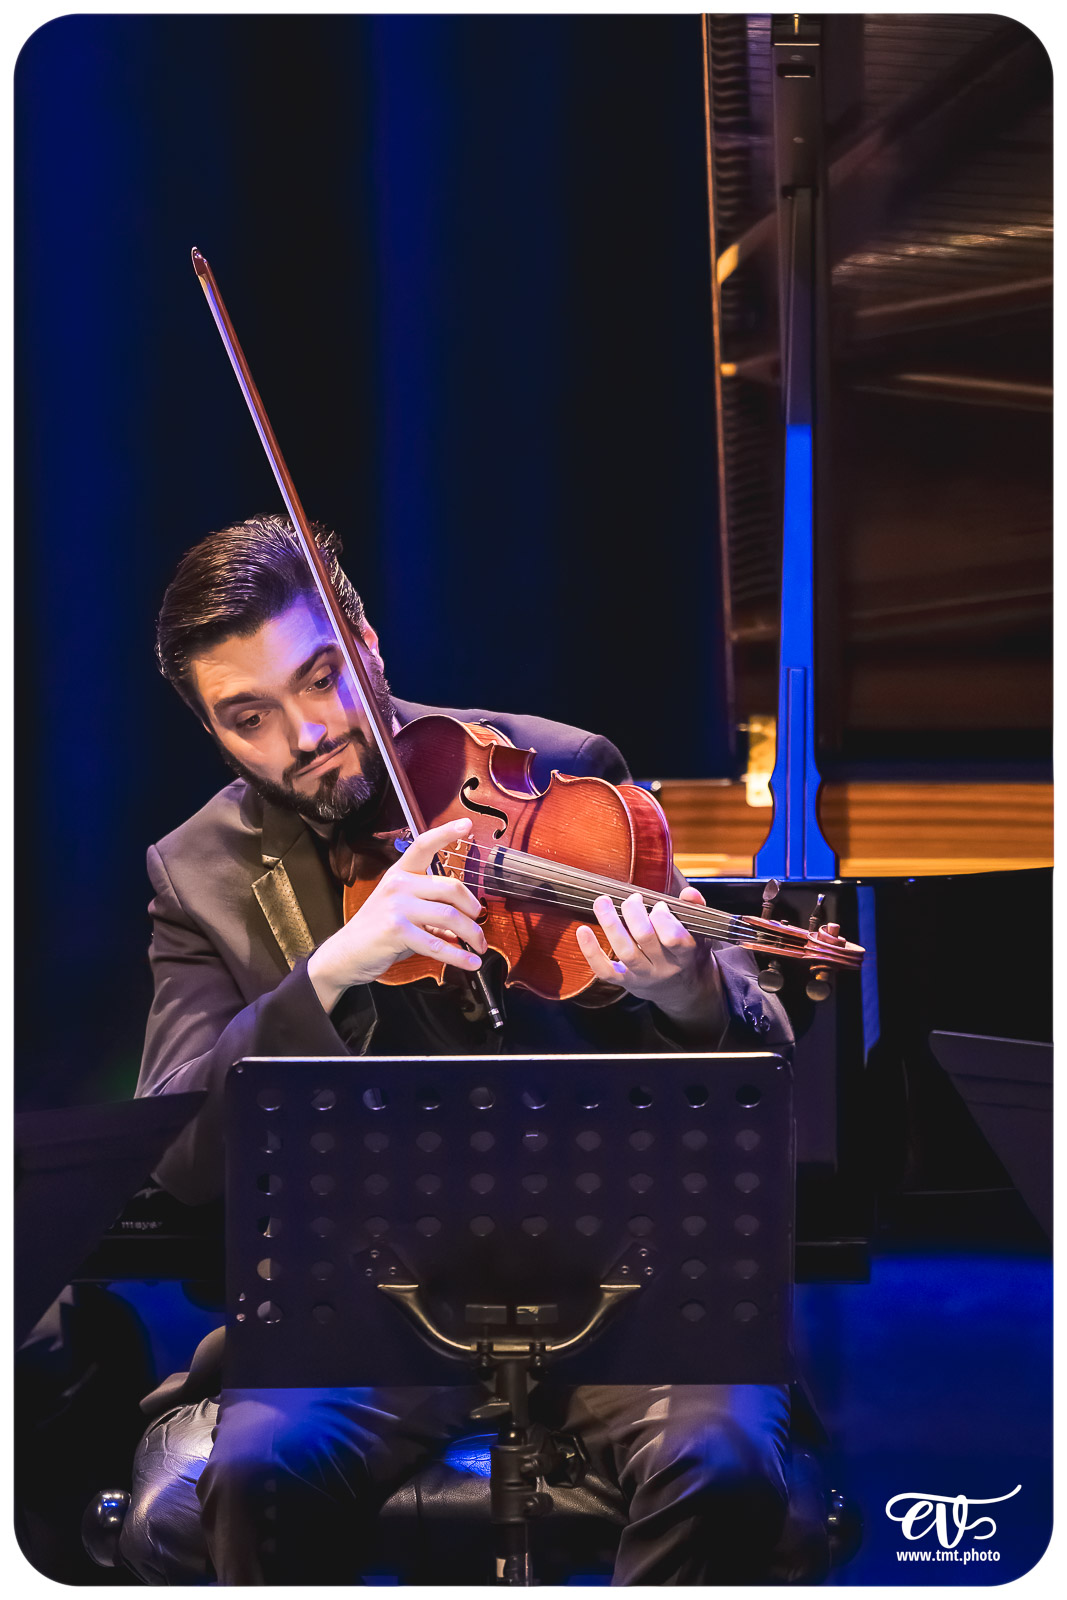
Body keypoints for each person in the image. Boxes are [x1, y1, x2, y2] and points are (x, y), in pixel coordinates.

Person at [126, 512, 802, 1585]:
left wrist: (683, 990)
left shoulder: (556, 772)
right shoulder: (197, 874)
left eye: (321, 678)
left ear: (369, 644)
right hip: (361, 1308)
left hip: (615, 1292)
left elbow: (770, 1067)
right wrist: (335, 969)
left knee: (717, 1463)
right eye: (248, 716)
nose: (302, 733)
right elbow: (180, 1154)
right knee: (260, 1466)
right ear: (212, 731)